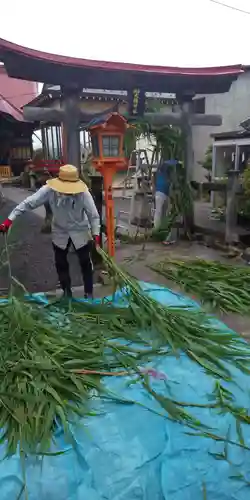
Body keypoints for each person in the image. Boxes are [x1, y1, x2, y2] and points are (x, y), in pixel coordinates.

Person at [0, 164, 100, 299]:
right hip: (60, 230)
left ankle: (88, 292)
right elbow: (28, 203)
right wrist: (9, 220)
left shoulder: (83, 193)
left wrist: (96, 234)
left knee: (85, 262)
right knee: (60, 262)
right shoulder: (49, 191)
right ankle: (66, 292)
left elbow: (93, 215)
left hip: (80, 229)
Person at [154, 160, 177, 245]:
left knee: (159, 212)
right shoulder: (166, 175)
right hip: (163, 194)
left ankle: (157, 229)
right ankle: (159, 230)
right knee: (162, 213)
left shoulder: (159, 174)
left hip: (159, 193)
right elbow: (170, 184)